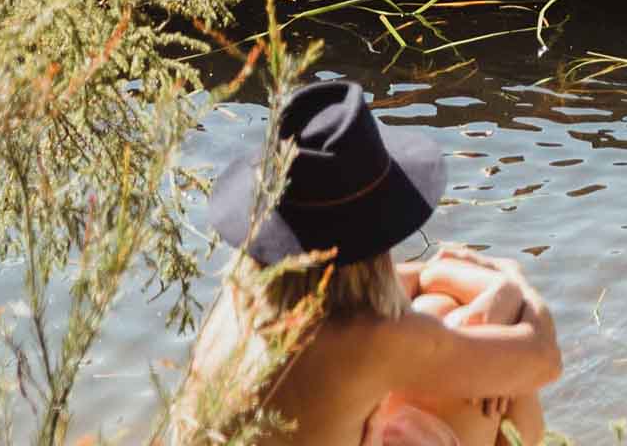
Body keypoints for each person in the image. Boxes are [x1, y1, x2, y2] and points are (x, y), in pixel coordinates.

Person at [172, 78, 561, 446]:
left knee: (441, 309)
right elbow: (544, 359)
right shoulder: (370, 341)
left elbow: (419, 281)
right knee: (487, 368)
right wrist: (514, 281)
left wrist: (489, 291)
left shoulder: (243, 298)